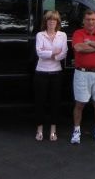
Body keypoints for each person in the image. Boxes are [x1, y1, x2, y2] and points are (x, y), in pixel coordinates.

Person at [71, 9, 95, 145]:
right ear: (83, 20)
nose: (90, 22)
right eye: (88, 19)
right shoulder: (78, 33)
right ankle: (76, 131)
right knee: (80, 104)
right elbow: (79, 48)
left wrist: (89, 42)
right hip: (82, 74)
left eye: (93, 19)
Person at [34, 10, 67, 142]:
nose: (52, 22)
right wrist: (54, 53)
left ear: (58, 22)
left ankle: (53, 130)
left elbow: (63, 54)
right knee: (40, 102)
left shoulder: (62, 35)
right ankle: (39, 130)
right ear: (45, 21)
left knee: (55, 102)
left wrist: (48, 53)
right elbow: (39, 53)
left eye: (54, 20)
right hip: (41, 72)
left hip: (56, 73)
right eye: (49, 19)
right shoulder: (40, 35)